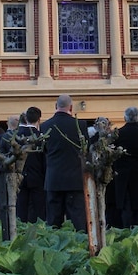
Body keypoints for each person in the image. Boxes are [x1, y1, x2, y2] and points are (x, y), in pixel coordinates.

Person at [40, 94, 89, 231]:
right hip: (75, 180)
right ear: (71, 107)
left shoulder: (45, 126)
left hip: (54, 179)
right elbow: (86, 150)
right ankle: (79, 248)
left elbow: (43, 151)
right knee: (78, 221)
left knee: (54, 221)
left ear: (56, 106)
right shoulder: (81, 125)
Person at [112, 106, 138, 227]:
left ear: (125, 117)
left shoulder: (118, 134)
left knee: (126, 205)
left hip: (122, 174)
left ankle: (126, 229)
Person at [16, 106, 47, 223]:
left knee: (21, 208)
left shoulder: (17, 136)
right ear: (39, 119)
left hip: (20, 176)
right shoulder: (41, 137)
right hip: (38, 176)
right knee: (39, 209)